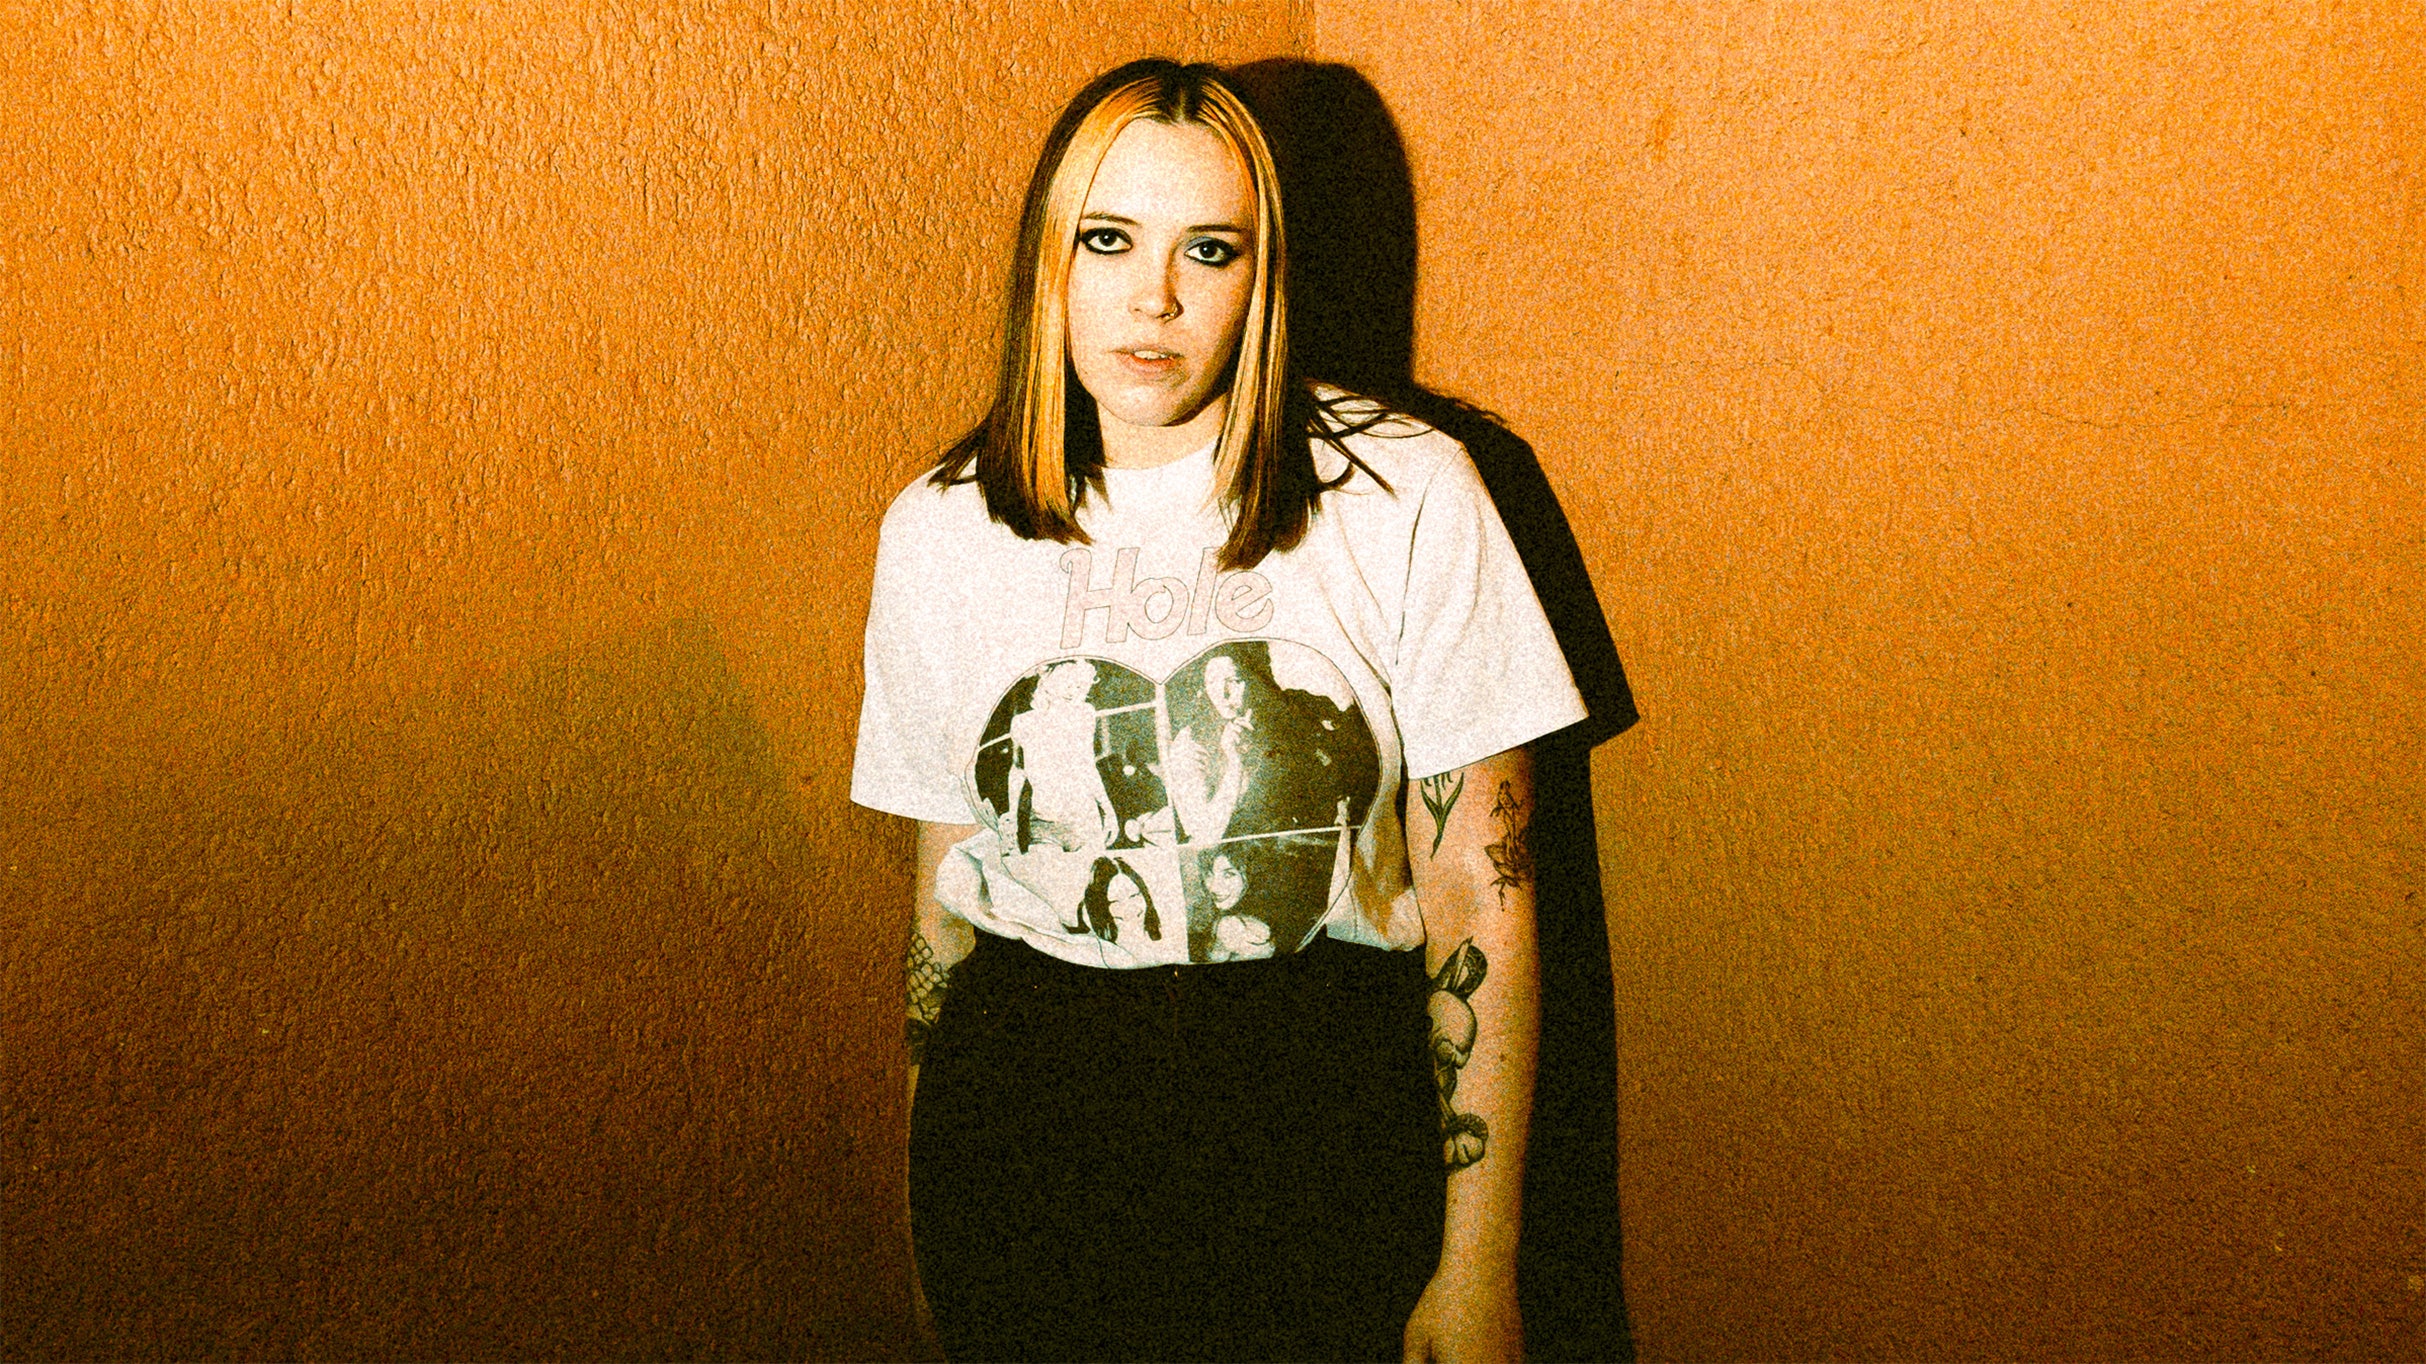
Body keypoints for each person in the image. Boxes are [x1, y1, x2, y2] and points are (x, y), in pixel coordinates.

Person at [851, 58, 1585, 1362]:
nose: (1155, 297)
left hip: (1318, 1124)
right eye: (1109, 239)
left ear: (1263, 275)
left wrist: (1478, 1265)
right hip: (1024, 1131)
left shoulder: (1407, 493)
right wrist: (925, 1238)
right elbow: (944, 906)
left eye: (1208, 248)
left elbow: (1483, 899)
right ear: (1047, 262)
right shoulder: (941, 528)